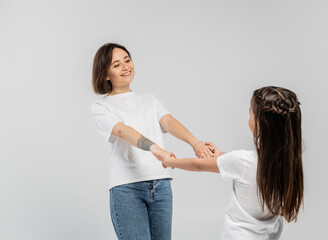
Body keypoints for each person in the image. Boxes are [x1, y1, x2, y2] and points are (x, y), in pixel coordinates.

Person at [90, 43, 213, 240]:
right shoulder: (101, 106)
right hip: (127, 187)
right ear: (105, 74)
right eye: (116, 65)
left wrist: (196, 143)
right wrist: (156, 149)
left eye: (127, 60)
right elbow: (122, 130)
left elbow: (169, 122)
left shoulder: (149, 99)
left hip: (161, 184)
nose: (125, 67)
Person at [154, 86, 304, 239]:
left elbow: (198, 165)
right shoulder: (288, 161)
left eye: (250, 114)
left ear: (259, 124)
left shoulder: (243, 160)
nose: (248, 118)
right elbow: (248, 166)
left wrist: (171, 161)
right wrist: (220, 155)